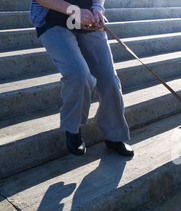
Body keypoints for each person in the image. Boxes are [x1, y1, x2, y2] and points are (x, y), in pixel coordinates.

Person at [30, 0, 134, 156]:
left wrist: (98, 7)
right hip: (54, 20)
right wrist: (75, 11)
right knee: (78, 74)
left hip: (89, 21)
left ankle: (114, 136)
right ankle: (73, 128)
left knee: (109, 80)